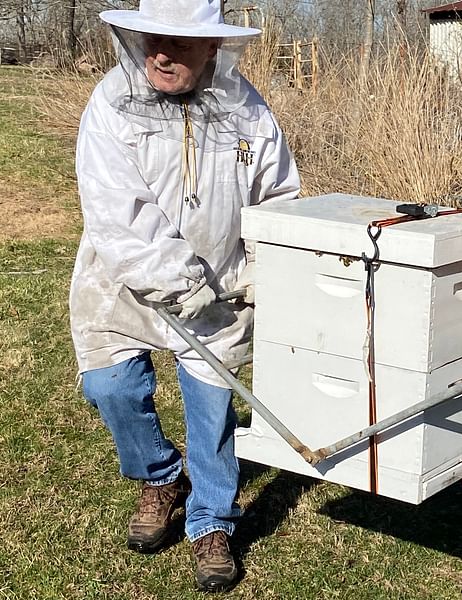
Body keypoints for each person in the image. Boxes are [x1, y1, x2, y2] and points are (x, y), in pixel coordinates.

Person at [69, 0, 300, 592]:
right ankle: (161, 474)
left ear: (214, 49)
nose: (161, 54)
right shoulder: (111, 104)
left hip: (220, 287)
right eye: (151, 40)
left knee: (212, 408)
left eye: (180, 43)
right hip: (124, 282)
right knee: (110, 387)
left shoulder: (247, 109)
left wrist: (261, 270)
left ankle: (212, 520)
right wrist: (178, 282)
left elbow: (276, 194)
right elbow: (117, 211)